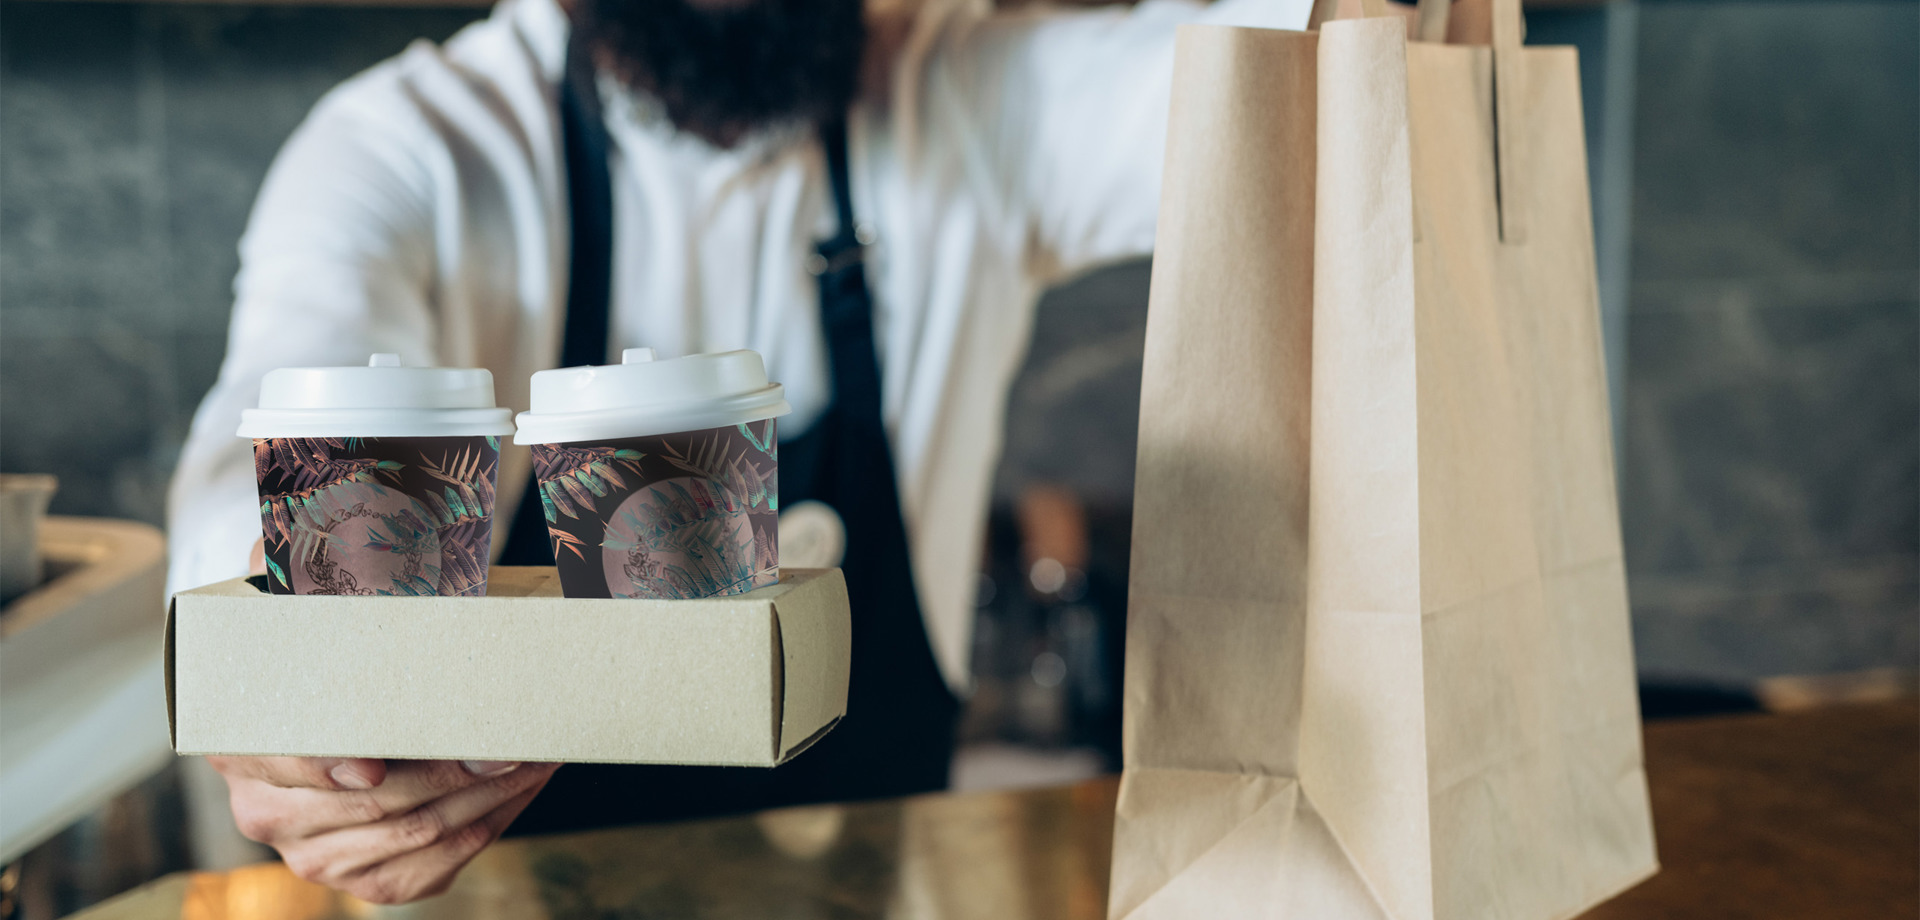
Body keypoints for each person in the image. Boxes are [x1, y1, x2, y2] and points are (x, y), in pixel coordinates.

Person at [162, 0, 1361, 904]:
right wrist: (285, 712)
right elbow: (255, 462)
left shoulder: (970, 97)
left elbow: (1308, 59)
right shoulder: (416, 151)